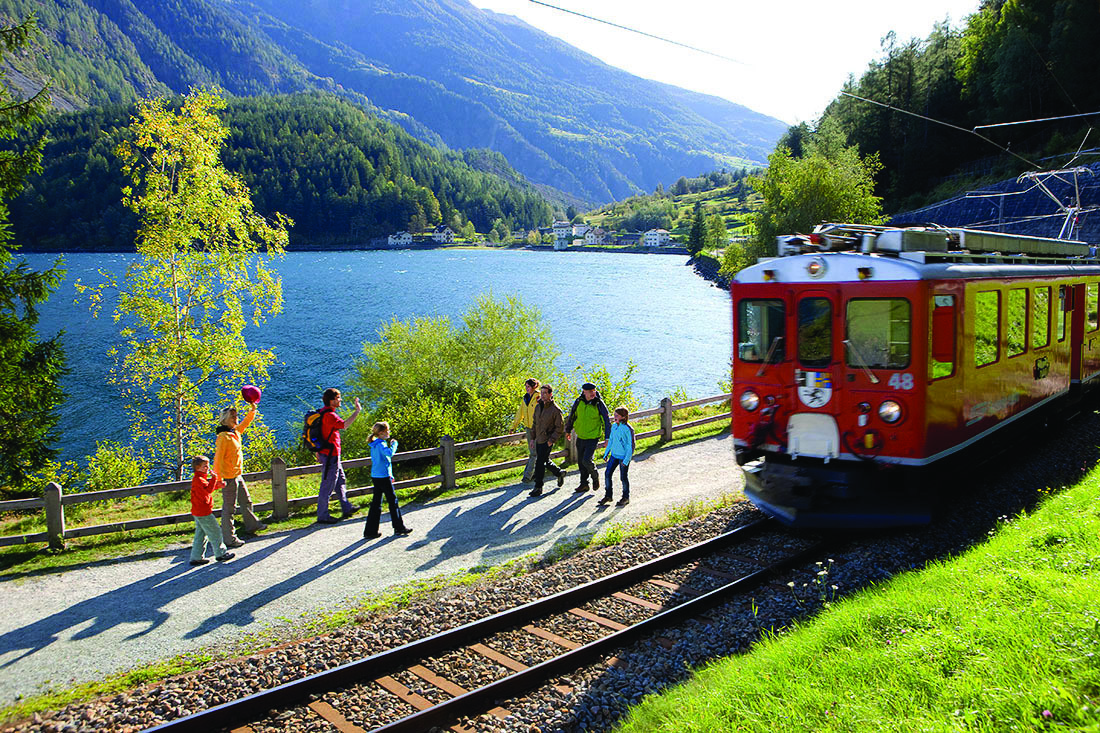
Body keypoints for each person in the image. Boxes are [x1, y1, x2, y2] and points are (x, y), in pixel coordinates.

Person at [214, 401, 266, 547]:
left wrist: (253, 410)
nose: (236, 419)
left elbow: (246, 423)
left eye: (236, 416)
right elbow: (217, 459)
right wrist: (218, 478)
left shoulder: (235, 432)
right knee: (229, 508)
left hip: (237, 474)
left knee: (246, 501)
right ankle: (229, 538)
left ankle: (252, 525)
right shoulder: (224, 437)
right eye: (232, 416)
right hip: (228, 477)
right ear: (224, 419)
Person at [316, 387, 361, 524]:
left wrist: (318, 452)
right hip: (331, 455)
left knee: (340, 480)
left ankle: (346, 507)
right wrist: (357, 411)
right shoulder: (330, 415)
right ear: (331, 401)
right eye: (338, 398)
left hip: (329, 454)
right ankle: (322, 515)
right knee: (328, 485)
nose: (340, 400)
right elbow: (344, 425)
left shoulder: (322, 413)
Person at [364, 421, 412, 538]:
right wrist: (394, 444)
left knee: (376, 503)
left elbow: (381, 461)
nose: (389, 432)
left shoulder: (374, 444)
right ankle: (399, 527)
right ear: (381, 433)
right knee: (393, 501)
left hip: (376, 475)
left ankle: (370, 531)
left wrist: (390, 474)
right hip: (383, 476)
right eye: (387, 431)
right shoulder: (381, 444)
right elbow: (389, 454)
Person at [564, 382, 611, 493]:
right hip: (581, 436)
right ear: (584, 392)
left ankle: (595, 476)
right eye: (590, 392)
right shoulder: (578, 402)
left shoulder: (599, 403)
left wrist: (607, 438)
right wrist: (568, 430)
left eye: (594, 391)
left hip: (593, 437)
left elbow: (606, 421)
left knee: (586, 460)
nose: (592, 393)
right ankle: (584, 484)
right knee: (581, 462)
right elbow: (572, 416)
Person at [189, 455, 234, 566]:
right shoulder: (199, 480)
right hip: (203, 512)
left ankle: (196, 557)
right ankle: (220, 554)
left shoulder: (199, 479)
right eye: (205, 466)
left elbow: (207, 488)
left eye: (208, 466)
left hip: (198, 512)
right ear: (197, 468)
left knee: (201, 534)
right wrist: (215, 478)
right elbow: (207, 490)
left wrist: (218, 485)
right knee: (215, 532)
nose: (207, 469)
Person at [529, 383, 566, 498]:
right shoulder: (538, 407)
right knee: (544, 460)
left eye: (545, 393)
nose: (543, 395)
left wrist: (552, 440)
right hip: (538, 439)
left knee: (540, 462)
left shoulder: (555, 410)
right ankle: (559, 473)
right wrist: (532, 438)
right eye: (542, 393)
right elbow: (535, 423)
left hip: (547, 440)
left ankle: (538, 487)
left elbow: (560, 427)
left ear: (550, 394)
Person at [599, 407, 635, 507]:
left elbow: (630, 446)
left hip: (623, 458)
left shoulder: (628, 429)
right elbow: (611, 441)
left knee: (623, 478)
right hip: (614, 456)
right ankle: (608, 496)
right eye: (614, 415)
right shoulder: (614, 426)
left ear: (623, 417)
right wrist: (606, 453)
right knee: (607, 474)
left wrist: (626, 460)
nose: (614, 417)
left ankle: (625, 497)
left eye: (616, 415)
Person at [511, 378, 541, 483]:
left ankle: (527, 476)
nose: (526, 388)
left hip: (537, 428)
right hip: (528, 428)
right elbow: (520, 413)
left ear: (534, 387)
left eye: (528, 386)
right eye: (526, 386)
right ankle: (556, 471)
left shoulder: (539, 397)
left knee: (534, 453)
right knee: (536, 452)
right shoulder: (525, 398)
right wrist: (514, 426)